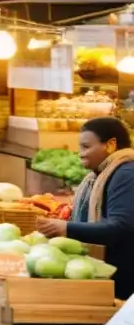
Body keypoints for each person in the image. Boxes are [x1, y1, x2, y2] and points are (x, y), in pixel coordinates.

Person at [37, 116, 134, 299]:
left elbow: (121, 226)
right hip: (109, 275)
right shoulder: (99, 175)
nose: (80, 153)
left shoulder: (127, 174)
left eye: (86, 147)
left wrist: (66, 228)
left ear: (111, 145)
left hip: (123, 282)